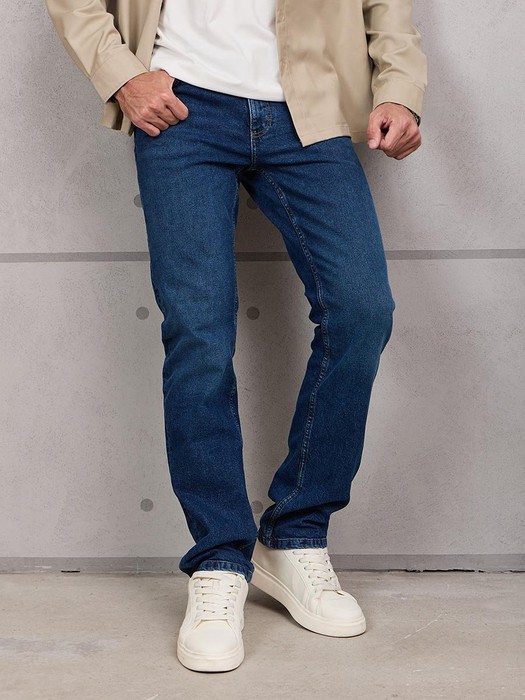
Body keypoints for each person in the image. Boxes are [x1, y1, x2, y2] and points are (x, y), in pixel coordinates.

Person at [45, 0, 427, 673]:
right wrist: (122, 74)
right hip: (181, 108)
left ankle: (295, 536)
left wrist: (399, 89)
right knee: (199, 332)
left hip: (309, 105)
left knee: (361, 311)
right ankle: (219, 560)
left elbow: (386, 7)